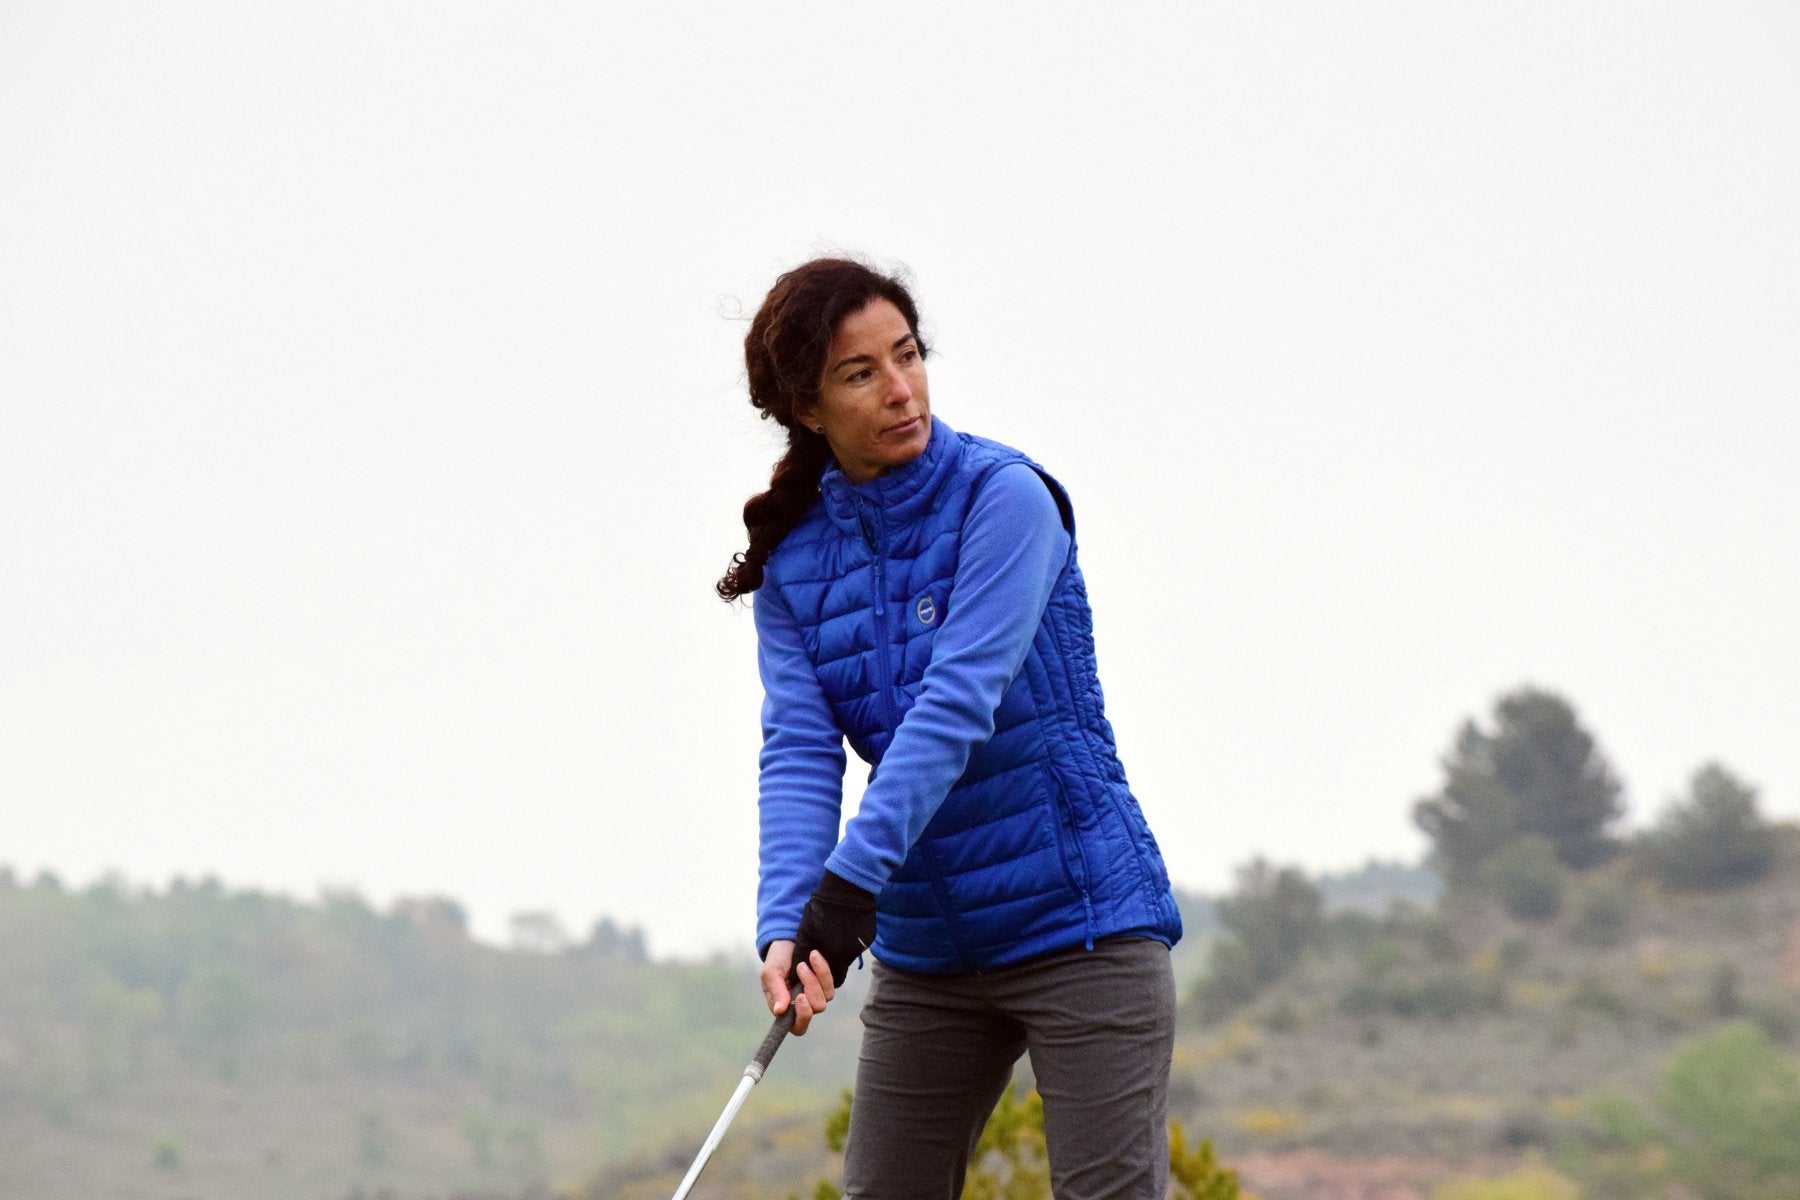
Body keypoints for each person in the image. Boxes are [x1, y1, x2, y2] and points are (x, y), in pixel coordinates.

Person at [717, 257, 1183, 1200]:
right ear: (808, 408)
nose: (901, 389)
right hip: (933, 952)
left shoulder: (1007, 500)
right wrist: (787, 924)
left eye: (909, 354)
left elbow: (954, 707)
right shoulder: (795, 567)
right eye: (861, 373)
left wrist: (846, 894)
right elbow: (800, 755)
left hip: (1080, 923)